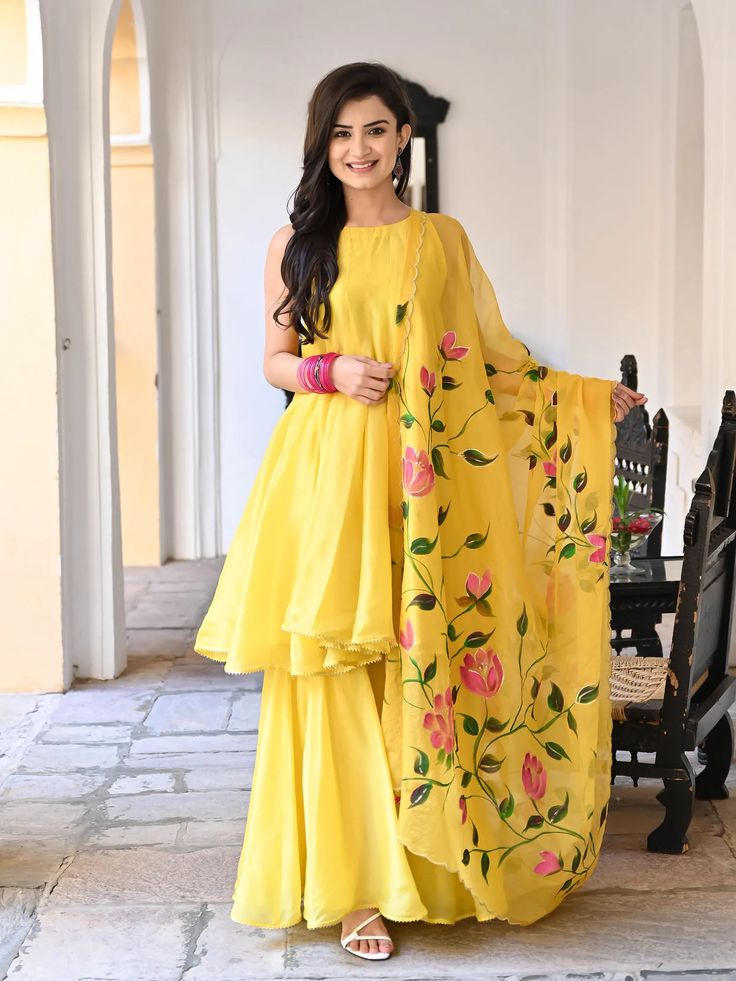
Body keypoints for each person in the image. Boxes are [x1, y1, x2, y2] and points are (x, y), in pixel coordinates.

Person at [194, 61, 647, 962]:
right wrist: (332, 369)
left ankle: (430, 870)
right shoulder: (298, 242)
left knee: (425, 656)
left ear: (404, 136)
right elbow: (275, 360)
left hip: (426, 476)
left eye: (374, 130)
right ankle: (353, 889)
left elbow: (492, 358)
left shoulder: (441, 239)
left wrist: (583, 397)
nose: (358, 149)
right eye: (341, 133)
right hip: (330, 473)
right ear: (322, 144)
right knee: (334, 674)